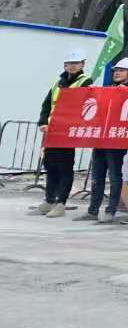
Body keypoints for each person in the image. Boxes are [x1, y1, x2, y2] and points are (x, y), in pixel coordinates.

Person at [34, 48, 93, 219]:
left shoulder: (86, 82)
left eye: (76, 63)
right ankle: (49, 200)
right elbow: (47, 104)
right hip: (52, 131)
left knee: (64, 167)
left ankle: (61, 203)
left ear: (82, 64)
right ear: (65, 65)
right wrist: (43, 122)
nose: (72, 66)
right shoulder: (58, 82)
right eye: (69, 63)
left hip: (68, 131)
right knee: (50, 165)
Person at [84, 57, 128, 224]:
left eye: (121, 71)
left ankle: (110, 210)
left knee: (114, 175)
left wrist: (126, 92)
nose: (117, 73)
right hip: (101, 138)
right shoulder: (109, 89)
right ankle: (93, 210)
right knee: (97, 175)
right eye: (116, 71)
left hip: (117, 139)